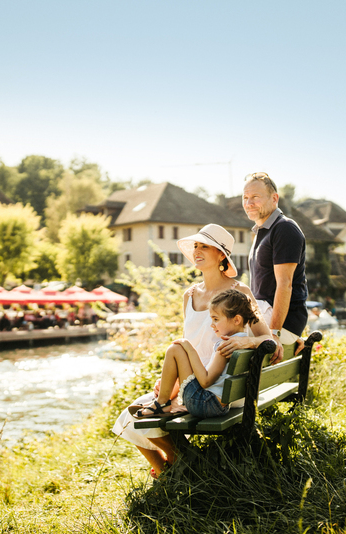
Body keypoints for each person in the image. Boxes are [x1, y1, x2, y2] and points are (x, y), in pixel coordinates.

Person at [112, 224, 277, 477]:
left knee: (145, 415)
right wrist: (172, 381)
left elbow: (266, 337)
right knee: (129, 416)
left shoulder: (239, 293)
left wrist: (248, 342)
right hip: (195, 380)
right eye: (196, 246)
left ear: (222, 255)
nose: (197, 251)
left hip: (217, 387)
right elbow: (188, 342)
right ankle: (171, 470)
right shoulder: (189, 295)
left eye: (205, 246)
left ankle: (186, 467)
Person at [132, 289, 257, 425]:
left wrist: (190, 349)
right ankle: (162, 403)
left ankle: (161, 403)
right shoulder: (245, 342)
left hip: (205, 404)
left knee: (175, 349)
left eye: (216, 319)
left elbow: (205, 381)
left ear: (237, 319)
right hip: (218, 405)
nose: (212, 324)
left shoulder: (225, 346)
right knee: (180, 350)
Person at [242, 172, 308, 354]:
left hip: (275, 324)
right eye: (245, 197)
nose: (249, 203)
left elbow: (285, 285)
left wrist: (276, 333)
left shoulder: (284, 229)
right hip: (264, 317)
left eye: (255, 197)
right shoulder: (262, 232)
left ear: (274, 198)